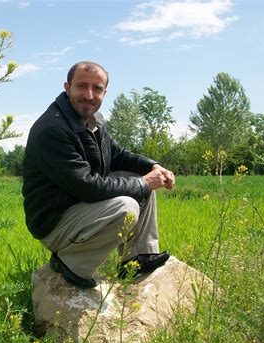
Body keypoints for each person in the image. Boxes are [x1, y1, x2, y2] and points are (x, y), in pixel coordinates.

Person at [22, 61, 175, 289]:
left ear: (104, 92)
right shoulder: (52, 129)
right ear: (67, 87)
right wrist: (143, 183)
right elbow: (87, 186)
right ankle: (72, 262)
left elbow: (117, 155)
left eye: (97, 88)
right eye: (82, 86)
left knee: (140, 177)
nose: (89, 95)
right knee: (128, 204)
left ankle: (136, 258)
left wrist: (154, 166)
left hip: (81, 208)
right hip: (54, 222)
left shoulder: (96, 120)